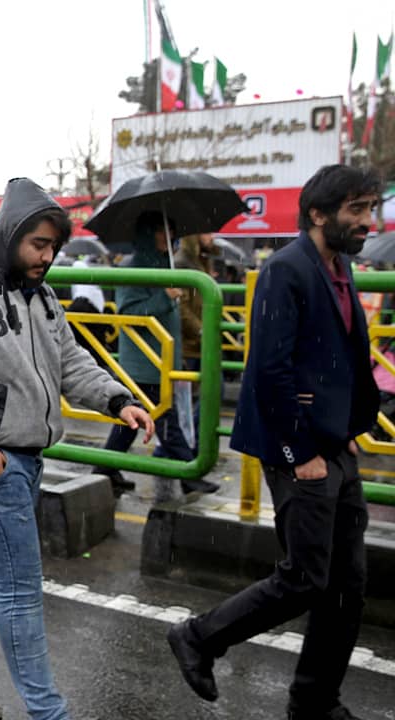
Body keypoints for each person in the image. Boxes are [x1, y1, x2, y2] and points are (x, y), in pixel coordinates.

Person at [0, 178, 156, 720]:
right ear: (9, 236)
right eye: (37, 245)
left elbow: (69, 362)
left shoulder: (42, 296)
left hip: (21, 458)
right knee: (21, 590)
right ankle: (50, 712)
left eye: (53, 247)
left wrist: (116, 399)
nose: (46, 257)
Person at [167, 165, 382, 720]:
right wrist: (301, 453)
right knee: (306, 577)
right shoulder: (286, 270)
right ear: (319, 213)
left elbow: (340, 358)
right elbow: (270, 370)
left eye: (369, 209)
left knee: (346, 586)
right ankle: (199, 637)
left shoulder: (339, 268)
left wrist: (349, 431)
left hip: (335, 444)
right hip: (298, 447)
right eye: (356, 210)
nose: (367, 222)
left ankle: (314, 699)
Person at [96, 213, 219, 496]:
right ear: (146, 234)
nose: (167, 235)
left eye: (171, 230)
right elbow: (129, 313)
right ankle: (190, 472)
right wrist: (165, 297)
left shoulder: (168, 265)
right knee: (168, 421)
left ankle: (104, 469)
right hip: (144, 362)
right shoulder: (132, 266)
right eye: (160, 231)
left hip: (165, 360)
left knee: (129, 425)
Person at [175, 233, 219, 449]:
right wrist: (201, 330)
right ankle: (187, 447)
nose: (211, 237)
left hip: (200, 343)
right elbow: (182, 307)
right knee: (190, 402)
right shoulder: (183, 263)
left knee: (195, 401)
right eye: (206, 233)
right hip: (191, 344)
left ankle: (185, 446)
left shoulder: (200, 260)